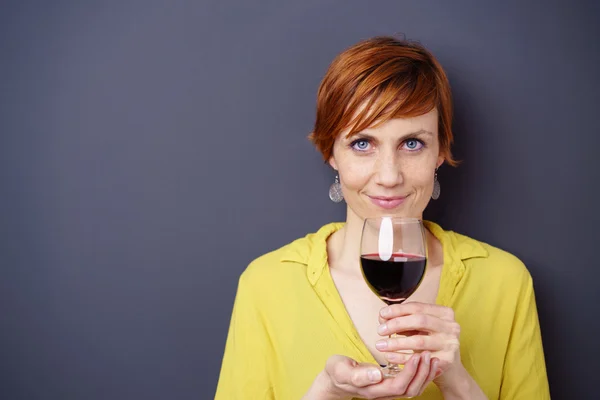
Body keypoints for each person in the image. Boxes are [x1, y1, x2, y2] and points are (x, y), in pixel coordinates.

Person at [215, 36, 550, 399]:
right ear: (331, 153)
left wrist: (457, 383)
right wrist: (324, 393)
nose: (389, 176)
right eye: (362, 143)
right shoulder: (266, 285)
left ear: (440, 151)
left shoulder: (505, 281)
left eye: (412, 143)